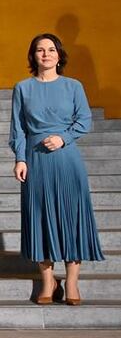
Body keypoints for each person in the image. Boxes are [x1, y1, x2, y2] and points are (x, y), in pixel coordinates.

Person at [11, 33, 103, 306]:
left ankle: (72, 281)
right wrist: (20, 158)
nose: (46, 54)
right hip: (35, 160)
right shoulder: (22, 88)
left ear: (59, 55)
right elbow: (18, 128)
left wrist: (64, 138)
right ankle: (48, 281)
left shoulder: (73, 86)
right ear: (33, 56)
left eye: (51, 50)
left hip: (66, 159)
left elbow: (84, 119)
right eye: (40, 50)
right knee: (40, 217)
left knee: (72, 216)